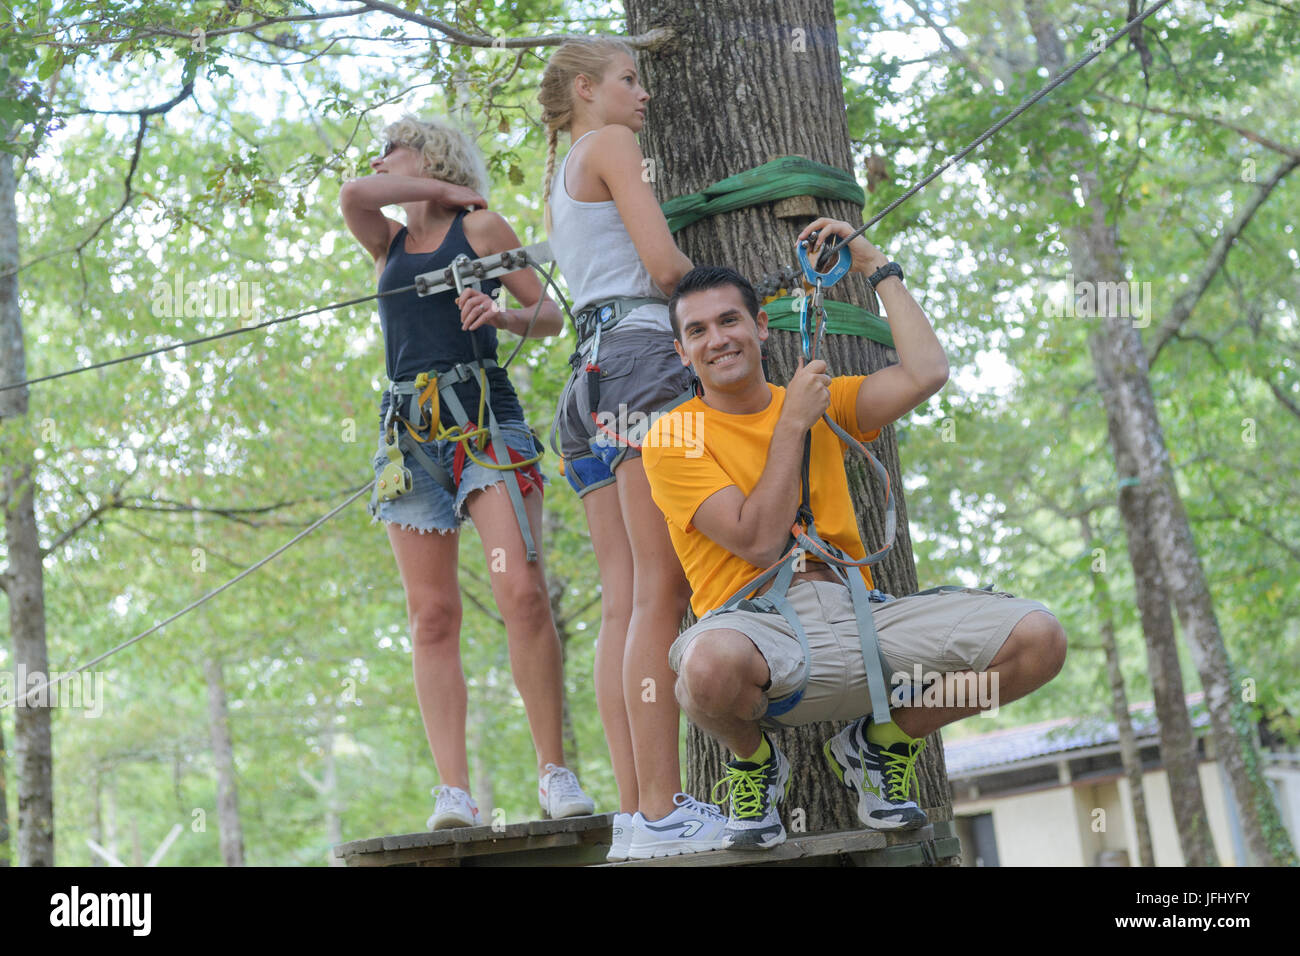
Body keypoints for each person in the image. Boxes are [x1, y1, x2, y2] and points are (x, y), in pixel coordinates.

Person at [641, 219, 1068, 850]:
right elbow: (757, 542)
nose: (717, 339)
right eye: (697, 331)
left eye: (730, 321)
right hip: (758, 631)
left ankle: (882, 742)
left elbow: (926, 372)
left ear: (761, 327)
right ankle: (754, 762)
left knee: (1039, 639)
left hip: (861, 616)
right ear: (682, 353)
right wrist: (792, 425)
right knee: (701, 672)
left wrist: (876, 265)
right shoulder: (674, 435)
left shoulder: (822, 401)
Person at [340, 115, 594, 830]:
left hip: (484, 418)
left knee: (521, 591)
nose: (379, 161)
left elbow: (546, 313)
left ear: (428, 153)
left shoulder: (480, 231)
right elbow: (356, 193)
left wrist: (501, 318)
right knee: (432, 616)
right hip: (409, 435)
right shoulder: (387, 240)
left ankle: (554, 770)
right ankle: (453, 791)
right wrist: (441, 187)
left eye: (394, 148)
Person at [538, 39, 729, 860]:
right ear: (587, 88)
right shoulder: (614, 145)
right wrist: (734, 300)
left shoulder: (560, 174)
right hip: (644, 364)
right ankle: (660, 811)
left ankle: (636, 814)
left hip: (586, 385)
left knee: (626, 601)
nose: (642, 95)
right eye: (628, 79)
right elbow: (663, 268)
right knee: (662, 591)